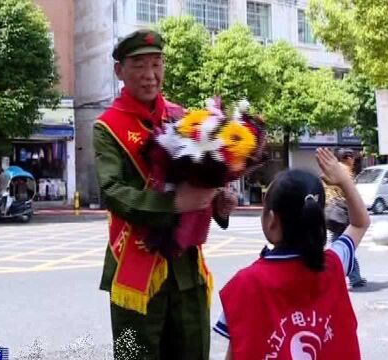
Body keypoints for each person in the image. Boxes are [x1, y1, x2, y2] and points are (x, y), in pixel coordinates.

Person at [93, 29, 237, 359]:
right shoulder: (107, 126)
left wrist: (219, 205)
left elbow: (196, 183)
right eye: (139, 65)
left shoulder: (181, 116)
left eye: (156, 64)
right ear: (120, 71)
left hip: (186, 267)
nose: (149, 75)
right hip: (134, 265)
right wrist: (171, 204)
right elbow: (113, 191)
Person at [213, 148, 370, 359]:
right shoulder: (333, 264)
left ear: (272, 220)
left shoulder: (245, 284)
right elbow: (360, 223)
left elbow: (237, 351)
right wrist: (344, 180)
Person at [325, 148, 367, 288]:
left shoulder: (331, 170)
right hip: (341, 213)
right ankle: (351, 276)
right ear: (347, 158)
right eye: (352, 158)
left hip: (331, 211)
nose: (354, 161)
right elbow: (350, 194)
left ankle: (354, 276)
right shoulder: (345, 172)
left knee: (341, 243)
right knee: (345, 245)